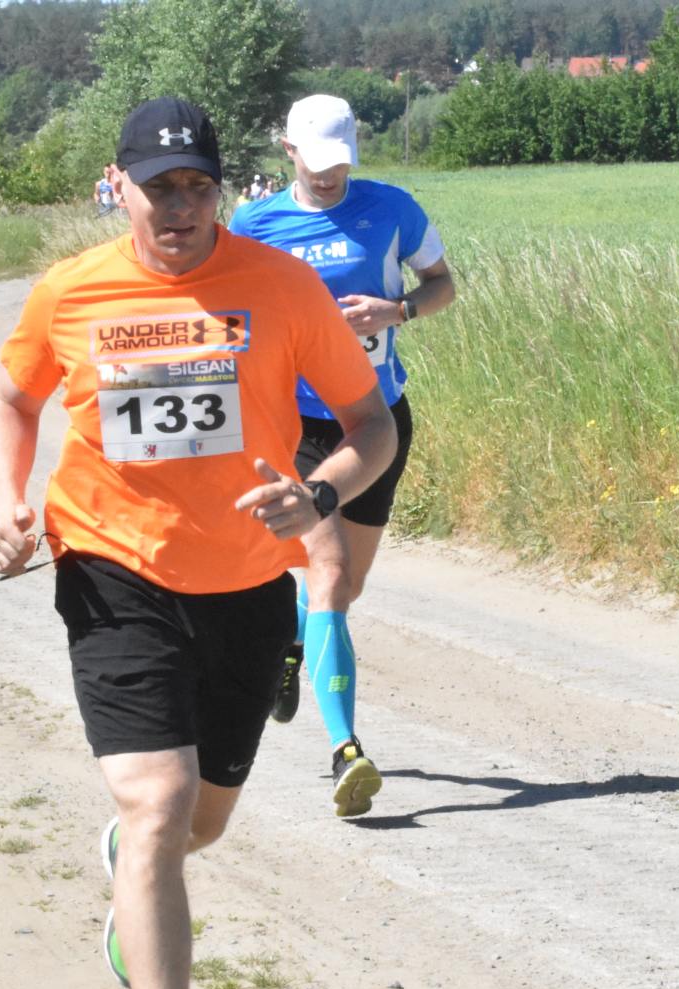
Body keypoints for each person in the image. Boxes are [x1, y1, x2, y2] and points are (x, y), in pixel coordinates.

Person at [0, 96, 396, 989]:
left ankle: (134, 868)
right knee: (159, 804)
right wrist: (8, 502)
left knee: (197, 823)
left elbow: (371, 423)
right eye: (157, 187)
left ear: (221, 189)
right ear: (117, 185)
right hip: (110, 570)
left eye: (197, 186)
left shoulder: (281, 286)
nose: (178, 207)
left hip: (249, 584)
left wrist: (319, 495)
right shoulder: (72, 290)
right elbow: (13, 402)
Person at [229, 93, 455, 817]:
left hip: (376, 422)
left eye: (341, 163)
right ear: (288, 152)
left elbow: (444, 285)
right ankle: (346, 751)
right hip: (294, 426)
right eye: (316, 163)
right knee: (326, 573)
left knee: (345, 587)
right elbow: (227, 316)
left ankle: (290, 647)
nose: (329, 177)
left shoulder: (392, 208)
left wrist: (398, 311)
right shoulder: (254, 224)